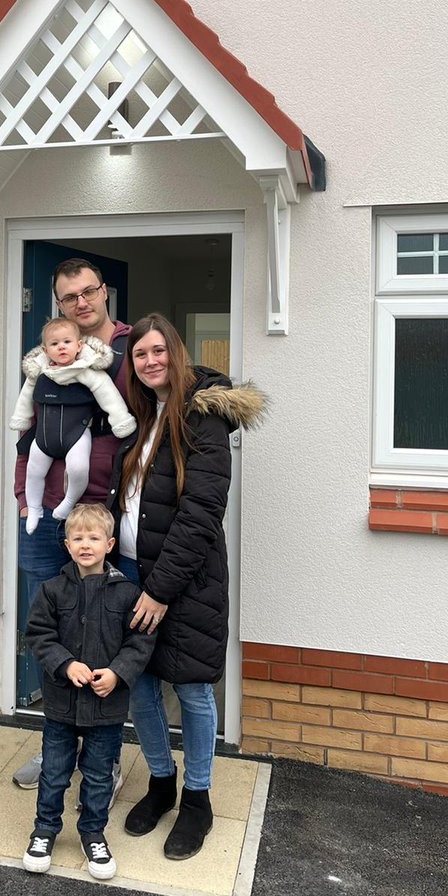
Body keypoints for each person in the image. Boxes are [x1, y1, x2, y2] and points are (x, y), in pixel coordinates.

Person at [110, 314, 264, 860]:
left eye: (158, 351)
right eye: (139, 355)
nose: (150, 362)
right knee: (144, 686)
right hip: (127, 573)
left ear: (176, 353)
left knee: (193, 688)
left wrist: (160, 590)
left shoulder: (204, 418)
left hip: (183, 581)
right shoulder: (136, 414)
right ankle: (159, 781)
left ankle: (196, 797)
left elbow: (201, 514)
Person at [12, 258, 132, 790]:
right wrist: (24, 494)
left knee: (107, 639)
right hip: (45, 523)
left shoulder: (129, 351)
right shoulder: (44, 360)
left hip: (106, 519)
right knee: (51, 636)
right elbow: (27, 432)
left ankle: (101, 757)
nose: (81, 303)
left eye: (89, 292)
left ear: (105, 292)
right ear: (57, 305)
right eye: (69, 297)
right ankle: (55, 752)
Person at [22, 504, 155, 880]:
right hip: (62, 705)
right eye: (77, 538)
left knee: (98, 775)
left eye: (93, 538)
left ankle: (92, 833)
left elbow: (140, 640)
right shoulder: (52, 590)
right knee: (54, 772)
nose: (85, 545)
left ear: (109, 544)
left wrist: (117, 673)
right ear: (67, 545)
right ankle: (45, 829)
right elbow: (39, 634)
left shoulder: (128, 594)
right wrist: (65, 664)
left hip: (105, 706)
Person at [10, 317, 136, 534]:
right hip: (44, 437)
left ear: (79, 346)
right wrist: (20, 418)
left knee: (78, 468)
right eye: (54, 344)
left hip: (77, 434)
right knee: (34, 470)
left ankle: (69, 501)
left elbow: (109, 396)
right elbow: (25, 398)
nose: (61, 347)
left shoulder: (87, 371)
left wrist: (121, 420)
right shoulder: (39, 373)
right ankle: (34, 508)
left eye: (67, 342)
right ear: (45, 349)